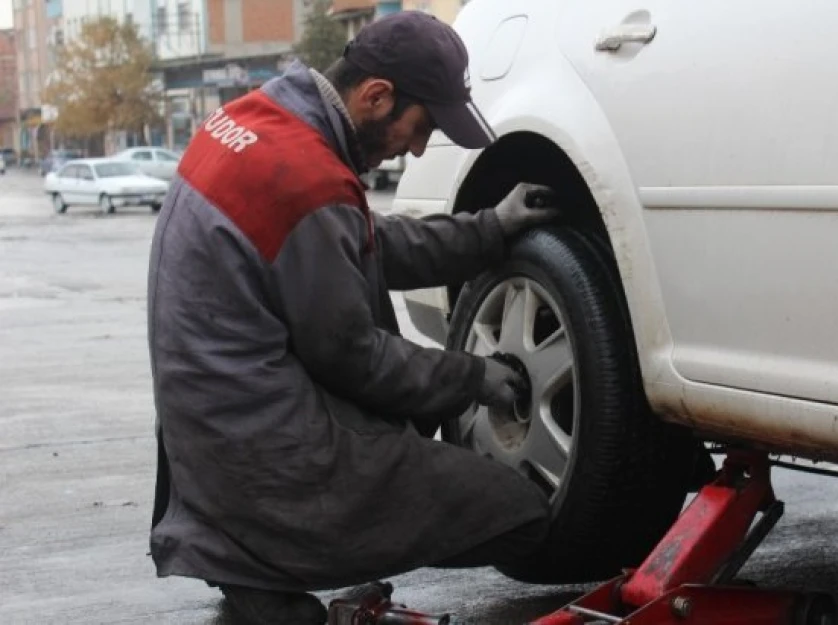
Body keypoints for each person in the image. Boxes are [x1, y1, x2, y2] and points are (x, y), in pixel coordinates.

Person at [146, 11, 559, 625]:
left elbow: (361, 244)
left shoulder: (257, 122)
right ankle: (269, 554)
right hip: (266, 456)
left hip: (211, 438)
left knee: (417, 429)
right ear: (376, 96)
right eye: (420, 128)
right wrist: (473, 377)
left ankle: (251, 563)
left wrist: (489, 230)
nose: (417, 147)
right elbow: (354, 355)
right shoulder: (306, 178)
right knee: (521, 512)